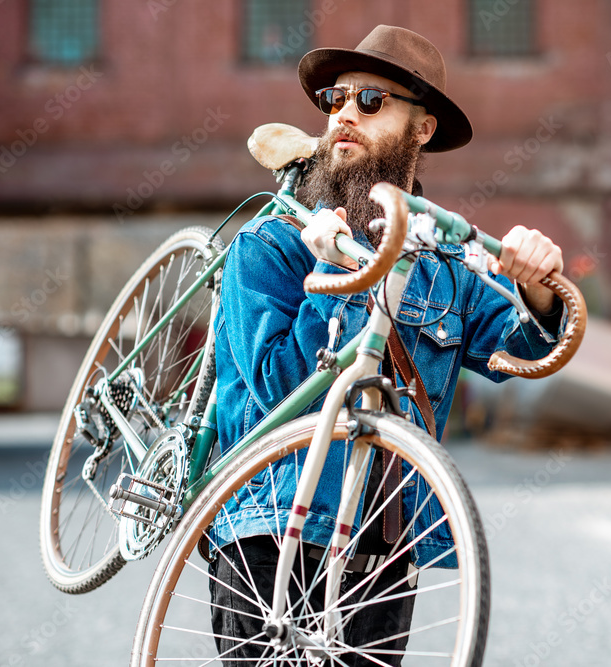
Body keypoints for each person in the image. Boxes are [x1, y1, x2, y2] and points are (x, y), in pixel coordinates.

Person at [209, 25, 566, 665]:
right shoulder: (269, 247)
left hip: (381, 541)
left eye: (370, 102)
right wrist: (339, 280)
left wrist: (538, 285)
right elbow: (281, 393)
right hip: (269, 527)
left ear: (421, 129)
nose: (345, 114)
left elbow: (528, 353)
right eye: (336, 99)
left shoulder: (447, 267)